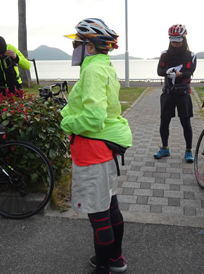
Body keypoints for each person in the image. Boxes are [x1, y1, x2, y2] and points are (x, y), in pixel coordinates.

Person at [60, 18, 132, 274]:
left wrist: (66, 123)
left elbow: (93, 117)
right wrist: (69, 110)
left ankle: (103, 266)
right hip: (106, 151)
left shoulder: (91, 70)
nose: (74, 49)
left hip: (93, 151)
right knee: (110, 205)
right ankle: (116, 258)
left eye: (77, 44)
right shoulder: (103, 65)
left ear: (89, 47)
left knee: (98, 214)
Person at [154, 24, 197, 163]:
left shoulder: (190, 55)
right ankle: (164, 147)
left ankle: (189, 150)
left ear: (184, 39)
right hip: (168, 93)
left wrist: (179, 74)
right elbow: (159, 71)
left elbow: (190, 72)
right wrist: (166, 72)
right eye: (173, 40)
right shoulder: (164, 54)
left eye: (178, 40)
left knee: (185, 122)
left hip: (183, 93)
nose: (176, 43)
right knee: (164, 121)